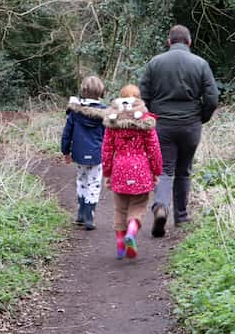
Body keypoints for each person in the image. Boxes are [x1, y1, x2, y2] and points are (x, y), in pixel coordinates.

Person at [139, 25, 219, 237]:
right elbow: (212, 98)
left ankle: (161, 207)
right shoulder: (200, 64)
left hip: (162, 125)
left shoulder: (155, 63)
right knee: (184, 170)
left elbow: (143, 97)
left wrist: (150, 119)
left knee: (164, 169)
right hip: (190, 124)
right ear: (189, 42)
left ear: (169, 42)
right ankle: (181, 216)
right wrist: (201, 118)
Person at [101, 84, 163, 260]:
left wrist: (107, 173)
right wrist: (156, 171)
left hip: (119, 169)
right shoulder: (145, 121)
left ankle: (121, 243)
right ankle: (132, 231)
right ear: (139, 100)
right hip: (141, 170)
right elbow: (154, 149)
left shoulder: (112, 122)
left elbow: (106, 149)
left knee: (120, 209)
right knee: (138, 206)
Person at [60, 75, 107, 230]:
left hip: (79, 154)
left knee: (82, 180)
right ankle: (89, 215)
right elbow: (108, 136)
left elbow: (67, 133)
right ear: (100, 92)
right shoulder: (105, 113)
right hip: (96, 154)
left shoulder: (75, 111)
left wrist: (65, 151)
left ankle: (80, 213)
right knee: (94, 183)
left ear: (83, 91)